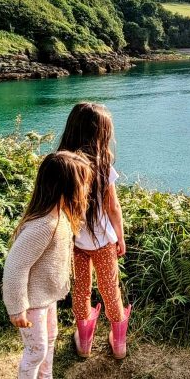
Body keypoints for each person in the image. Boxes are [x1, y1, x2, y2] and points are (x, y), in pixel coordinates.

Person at [2, 150, 92, 379]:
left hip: (46, 298)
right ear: (63, 186)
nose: (85, 188)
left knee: (50, 341)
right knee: (36, 350)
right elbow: (15, 266)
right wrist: (17, 307)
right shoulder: (44, 225)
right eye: (82, 183)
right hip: (31, 304)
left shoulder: (60, 215)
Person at [58, 101, 131, 359]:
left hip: (75, 242)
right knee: (110, 287)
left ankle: (84, 342)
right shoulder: (103, 167)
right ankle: (119, 343)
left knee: (81, 289)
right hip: (103, 242)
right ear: (99, 135)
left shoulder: (63, 168)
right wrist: (120, 237)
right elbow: (113, 209)